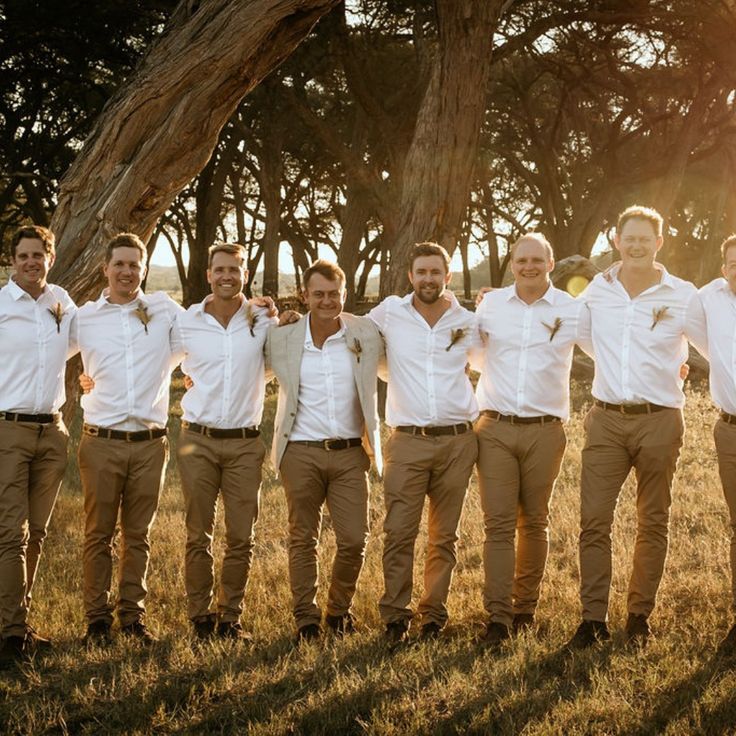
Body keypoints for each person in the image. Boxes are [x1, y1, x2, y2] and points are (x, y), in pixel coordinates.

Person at [568, 205, 703, 648]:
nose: (638, 244)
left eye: (646, 238)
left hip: (660, 421)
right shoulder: (596, 292)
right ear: (617, 242)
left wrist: (680, 365)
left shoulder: (682, 294)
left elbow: (715, 341)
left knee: (653, 520)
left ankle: (639, 616)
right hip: (606, 420)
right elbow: (579, 334)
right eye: (630, 237)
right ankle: (592, 620)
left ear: (659, 243)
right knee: (593, 521)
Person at [473, 233, 586, 646]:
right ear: (512, 264)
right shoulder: (491, 306)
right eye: (522, 260)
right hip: (496, 429)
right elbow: (466, 352)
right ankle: (498, 618)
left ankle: (525, 610)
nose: (529, 266)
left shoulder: (572, 310)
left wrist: (674, 366)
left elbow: (609, 348)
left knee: (534, 521)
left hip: (546, 430)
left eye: (537, 259)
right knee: (498, 524)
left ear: (551, 263)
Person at [265, 260, 383, 643]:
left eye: (334, 294)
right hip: (300, 451)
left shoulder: (364, 333)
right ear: (304, 295)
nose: (327, 301)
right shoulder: (282, 337)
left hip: (350, 452)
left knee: (354, 539)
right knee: (303, 538)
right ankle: (306, 620)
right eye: (318, 294)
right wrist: (193, 374)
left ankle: (338, 612)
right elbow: (238, 363)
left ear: (343, 295)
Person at [74, 232, 183, 645]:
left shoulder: (164, 311)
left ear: (144, 269)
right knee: (98, 533)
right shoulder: (83, 318)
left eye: (134, 265)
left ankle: (133, 618)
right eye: (119, 264)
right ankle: (97, 621)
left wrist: (260, 309)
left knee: (139, 535)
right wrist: (80, 382)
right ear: (105, 268)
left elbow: (205, 340)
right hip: (100, 441)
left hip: (150, 443)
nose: (126, 271)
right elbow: (44, 353)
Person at [369, 242, 479, 642]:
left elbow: (500, 356)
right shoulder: (389, 313)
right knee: (399, 531)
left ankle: (433, 615)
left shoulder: (467, 320)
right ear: (410, 276)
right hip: (408, 440)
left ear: (446, 277)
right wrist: (288, 315)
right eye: (422, 272)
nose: (428, 279)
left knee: (443, 535)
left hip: (457, 442)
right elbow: (349, 328)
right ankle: (395, 616)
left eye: (436, 272)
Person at [172, 243, 276, 642]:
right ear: (209, 275)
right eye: (220, 269)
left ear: (244, 274)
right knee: (198, 533)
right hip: (197, 439)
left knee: (241, 536)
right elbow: (150, 359)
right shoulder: (187, 322)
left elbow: (278, 359)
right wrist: (92, 379)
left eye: (234, 269)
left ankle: (230, 617)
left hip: (245, 443)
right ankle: (200, 619)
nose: (227, 275)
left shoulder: (262, 318)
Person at [0, 225, 76, 666]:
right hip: (9, 429)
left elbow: (98, 337)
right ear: (13, 260)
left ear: (51, 257)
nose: (32, 262)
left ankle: (18, 622)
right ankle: (12, 634)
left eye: (39, 255)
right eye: (24, 255)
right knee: (11, 532)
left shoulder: (62, 303)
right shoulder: (1, 304)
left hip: (53, 431)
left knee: (38, 533)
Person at [692, 234, 736, 654]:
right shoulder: (709, 297)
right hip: (731, 431)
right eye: (733, 262)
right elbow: (674, 319)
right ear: (724, 267)